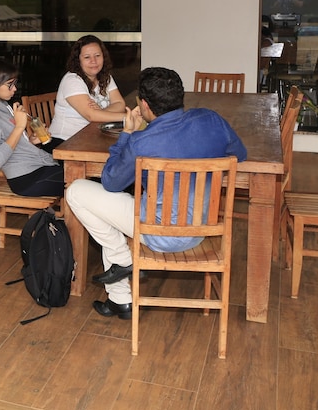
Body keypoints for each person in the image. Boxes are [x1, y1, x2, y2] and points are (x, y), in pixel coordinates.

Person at [65, 67, 247, 320]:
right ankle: (119, 299)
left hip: (158, 233)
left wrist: (127, 134)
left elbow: (111, 182)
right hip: (201, 229)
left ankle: (123, 261)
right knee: (117, 210)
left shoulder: (142, 141)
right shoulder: (211, 119)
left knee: (76, 191)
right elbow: (240, 154)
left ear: (144, 105)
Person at [0, 57, 65, 197]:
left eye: (15, 83)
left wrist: (30, 141)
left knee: (84, 175)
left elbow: (10, 144)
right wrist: (19, 127)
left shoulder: (1, 105)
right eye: (9, 85)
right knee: (82, 180)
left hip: (36, 167)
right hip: (26, 178)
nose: (15, 89)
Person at [43, 35, 126, 151]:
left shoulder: (105, 77)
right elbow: (91, 116)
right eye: (87, 57)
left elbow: (120, 104)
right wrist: (127, 118)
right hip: (64, 142)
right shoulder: (72, 80)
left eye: (97, 55)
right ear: (78, 60)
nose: (94, 61)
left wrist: (100, 113)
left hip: (91, 139)